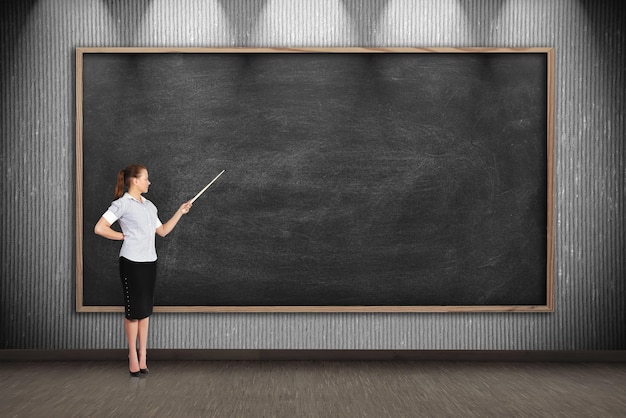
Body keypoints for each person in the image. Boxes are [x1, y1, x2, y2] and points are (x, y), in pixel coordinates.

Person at [94, 164, 192, 377]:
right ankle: (132, 357)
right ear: (134, 181)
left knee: (145, 311)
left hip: (150, 262)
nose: (149, 182)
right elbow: (100, 228)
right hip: (131, 262)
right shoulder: (122, 205)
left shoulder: (149, 206)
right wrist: (122, 236)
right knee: (134, 312)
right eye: (146, 178)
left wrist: (180, 212)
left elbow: (163, 231)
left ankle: (143, 357)